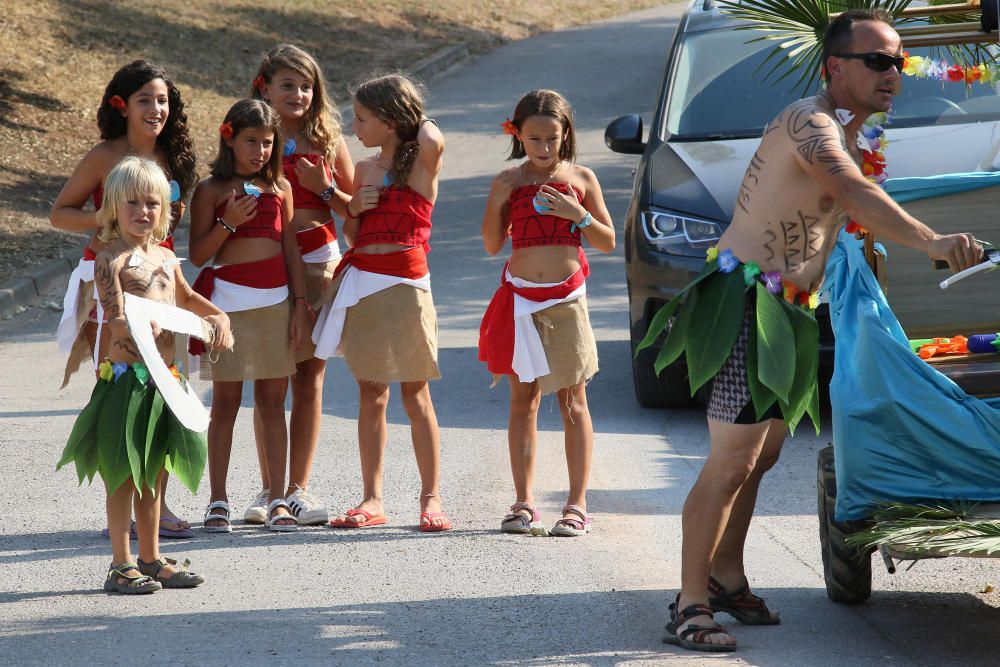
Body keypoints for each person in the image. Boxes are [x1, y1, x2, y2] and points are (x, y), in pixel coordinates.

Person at [646, 10, 983, 652]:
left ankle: (725, 576)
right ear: (835, 68)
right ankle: (688, 605)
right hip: (745, 301)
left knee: (764, 455)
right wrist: (933, 243)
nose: (893, 72)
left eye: (898, 60)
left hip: (792, 309)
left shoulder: (849, 128)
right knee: (730, 460)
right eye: (877, 60)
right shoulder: (809, 121)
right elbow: (850, 192)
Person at [57, 156, 231, 593]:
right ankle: (121, 563)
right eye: (132, 202)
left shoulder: (167, 256)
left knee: (154, 472)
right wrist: (142, 322)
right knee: (123, 473)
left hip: (165, 380)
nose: (143, 211)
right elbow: (114, 315)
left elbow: (188, 298)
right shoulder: (108, 258)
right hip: (126, 382)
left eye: (152, 202)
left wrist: (218, 317)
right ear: (113, 206)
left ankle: (151, 558)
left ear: (166, 209)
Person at [50, 59, 198, 539]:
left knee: (164, 389)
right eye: (145, 100)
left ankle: (155, 504)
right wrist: (108, 219)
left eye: (162, 100)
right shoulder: (103, 155)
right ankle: (125, 505)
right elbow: (61, 214)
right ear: (123, 105)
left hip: (161, 278)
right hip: (111, 280)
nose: (156, 109)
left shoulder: (172, 156)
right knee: (124, 394)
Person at [311, 73, 451, 532]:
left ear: (391, 121)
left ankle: (431, 498)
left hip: (407, 286)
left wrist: (411, 112)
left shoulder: (421, 163)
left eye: (364, 118)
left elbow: (432, 135)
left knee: (415, 392)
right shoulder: (364, 170)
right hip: (363, 281)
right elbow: (353, 233)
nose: (355, 128)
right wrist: (351, 204)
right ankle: (372, 498)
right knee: (371, 392)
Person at [478, 90, 615, 537]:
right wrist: (498, 197)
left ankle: (576, 505)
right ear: (517, 135)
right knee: (523, 401)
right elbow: (492, 244)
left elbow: (607, 241)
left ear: (565, 135)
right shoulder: (509, 180)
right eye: (533, 138)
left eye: (551, 138)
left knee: (573, 401)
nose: (542, 147)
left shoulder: (582, 178)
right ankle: (523, 502)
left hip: (567, 301)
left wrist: (578, 214)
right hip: (521, 299)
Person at [241, 44, 356, 526]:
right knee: (269, 376)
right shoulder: (249, 135)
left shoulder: (327, 139)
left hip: (318, 263)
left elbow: (354, 208)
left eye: (307, 86)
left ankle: (298, 489)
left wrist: (322, 184)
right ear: (264, 86)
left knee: (308, 377)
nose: (299, 94)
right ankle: (269, 487)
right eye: (288, 84)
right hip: (265, 265)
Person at [188, 99, 311, 533]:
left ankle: (276, 497)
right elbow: (198, 255)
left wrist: (299, 305)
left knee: (273, 403)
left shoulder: (281, 188)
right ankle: (217, 499)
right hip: (225, 310)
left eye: (267, 142)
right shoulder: (210, 190)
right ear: (229, 138)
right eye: (250, 141)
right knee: (223, 405)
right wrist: (228, 222)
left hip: (276, 305)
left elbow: (292, 250)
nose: (259, 150)